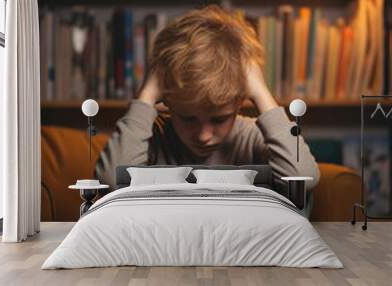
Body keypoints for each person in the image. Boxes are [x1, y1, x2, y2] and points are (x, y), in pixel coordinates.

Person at [95, 5, 320, 210]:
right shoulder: (152, 138)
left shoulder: (254, 137)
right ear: (167, 101)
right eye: (188, 118)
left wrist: (261, 93)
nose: (203, 136)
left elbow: (303, 179)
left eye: (219, 119)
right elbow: (110, 184)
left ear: (241, 100)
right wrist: (146, 94)